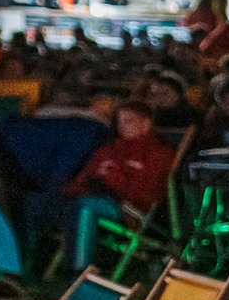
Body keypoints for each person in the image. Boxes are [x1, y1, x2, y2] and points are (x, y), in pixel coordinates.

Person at [58, 101, 175, 271]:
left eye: (129, 121)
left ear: (146, 123)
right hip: (96, 196)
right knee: (56, 201)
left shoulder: (158, 154)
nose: (122, 127)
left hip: (127, 208)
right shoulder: (108, 150)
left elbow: (148, 192)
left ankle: (80, 270)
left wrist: (112, 183)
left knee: (84, 207)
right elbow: (84, 177)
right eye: (119, 122)